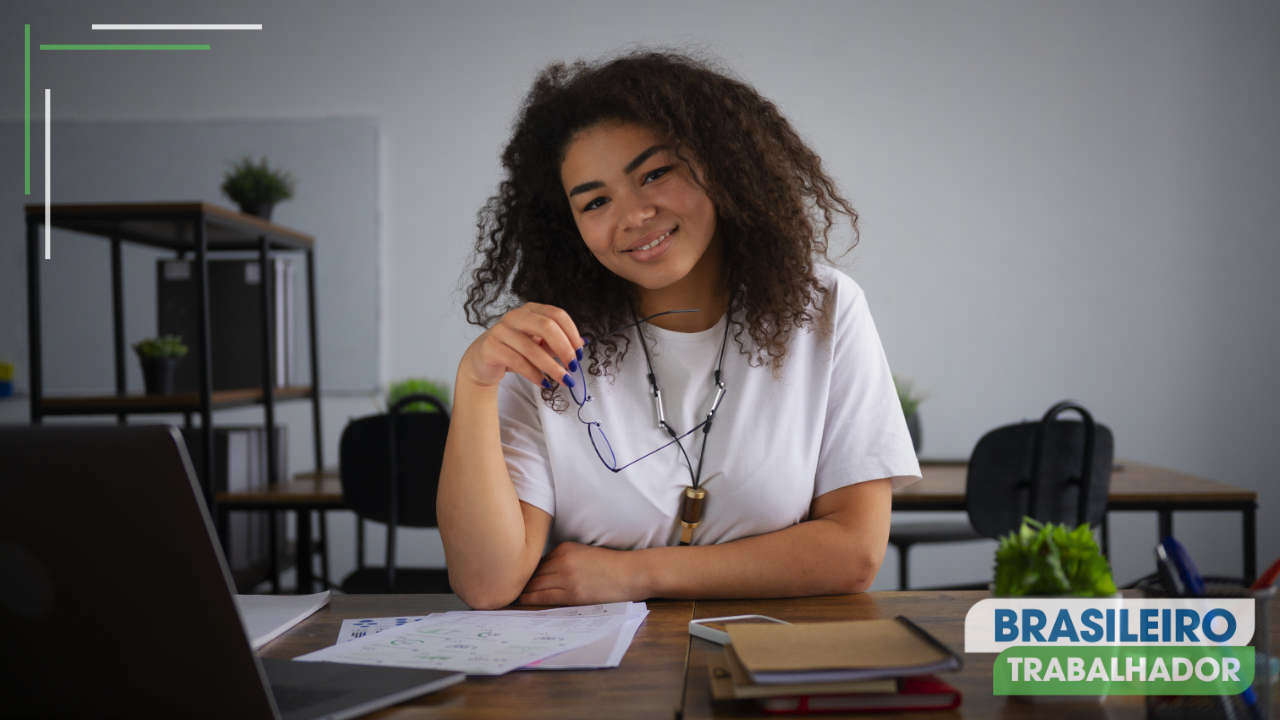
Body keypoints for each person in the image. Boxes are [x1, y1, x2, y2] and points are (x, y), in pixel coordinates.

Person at [438, 51, 921, 610]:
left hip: (777, 658)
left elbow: (854, 553)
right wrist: (475, 383)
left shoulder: (825, 307)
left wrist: (636, 575)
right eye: (595, 201)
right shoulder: (550, 344)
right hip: (602, 685)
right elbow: (486, 584)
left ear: (719, 164)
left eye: (655, 174)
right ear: (567, 226)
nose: (634, 215)